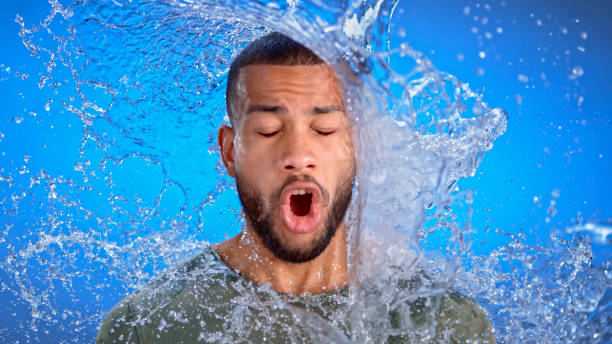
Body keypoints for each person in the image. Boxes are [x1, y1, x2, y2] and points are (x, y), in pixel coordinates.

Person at [95, 32, 495, 343]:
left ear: (359, 148)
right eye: (269, 131)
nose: (298, 154)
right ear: (230, 152)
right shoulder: (148, 325)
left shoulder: (443, 325)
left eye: (324, 129)